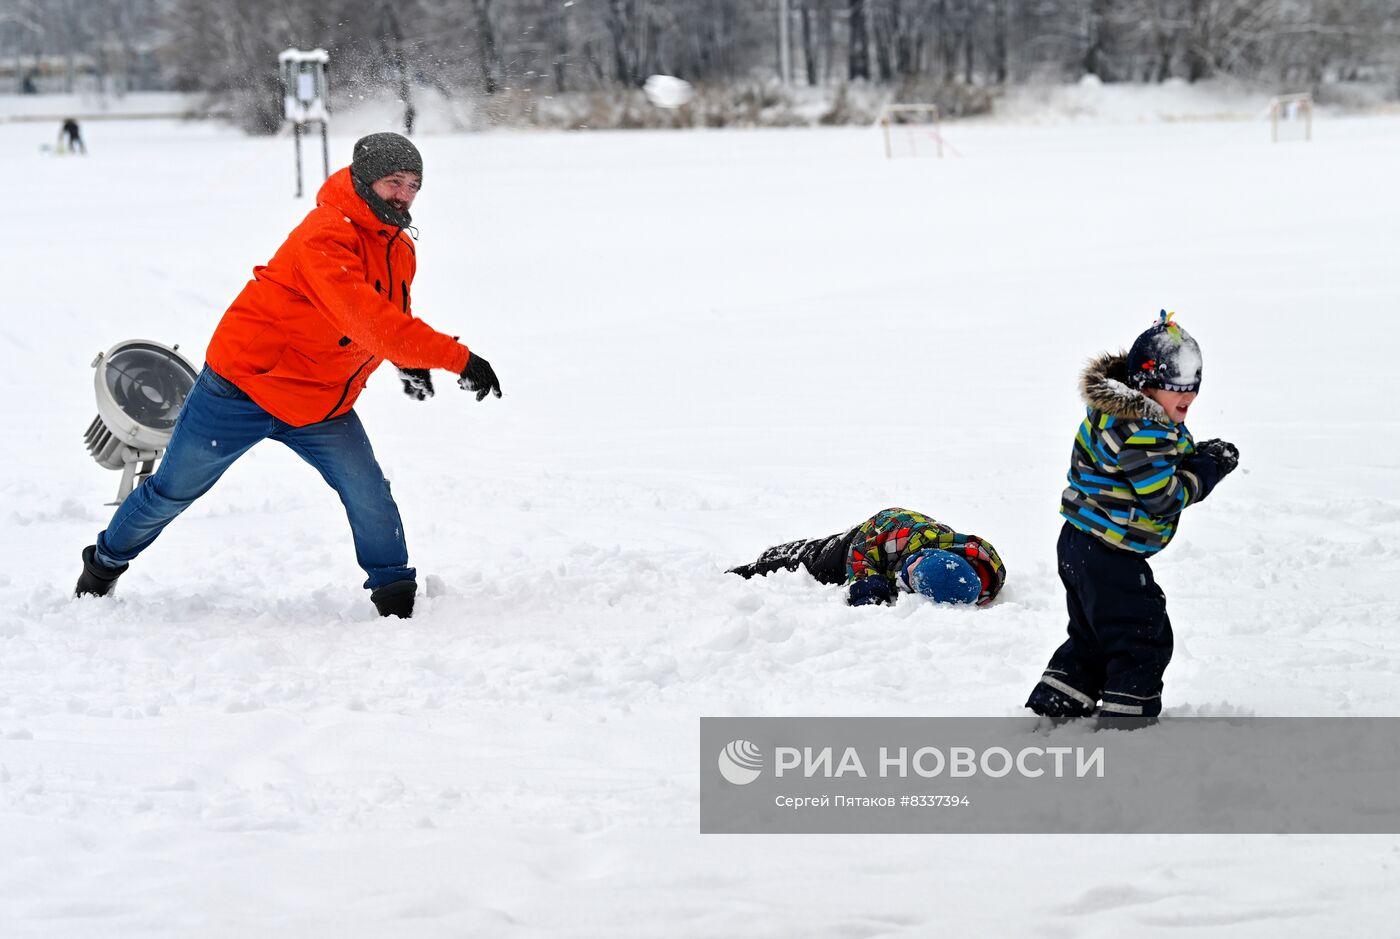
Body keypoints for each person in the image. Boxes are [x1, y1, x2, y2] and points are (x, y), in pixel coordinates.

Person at [75, 132, 502, 618]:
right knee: (172, 492)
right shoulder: (324, 236)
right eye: (393, 182)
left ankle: (395, 598)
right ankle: (102, 567)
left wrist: (409, 359)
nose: (404, 195)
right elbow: (367, 321)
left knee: (368, 492)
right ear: (364, 181)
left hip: (319, 401)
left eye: (413, 184)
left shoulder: (398, 248)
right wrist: (457, 358)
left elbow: (387, 315)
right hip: (241, 390)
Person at [1025, 311, 1239, 728]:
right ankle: (1128, 719)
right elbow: (1164, 498)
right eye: (1176, 394)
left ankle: (1061, 699)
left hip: (1078, 539)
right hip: (1111, 551)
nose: (1186, 402)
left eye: (1191, 393)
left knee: (1092, 632)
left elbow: (1137, 467)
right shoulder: (1147, 431)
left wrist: (1187, 457)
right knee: (1142, 632)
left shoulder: (1112, 413)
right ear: (1144, 386)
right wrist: (1207, 469)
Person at [729, 507, 1006, 607]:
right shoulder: (898, 541)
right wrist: (867, 586)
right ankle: (751, 569)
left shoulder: (976, 560)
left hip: (906, 532)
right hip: (864, 538)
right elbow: (861, 556)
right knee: (805, 562)